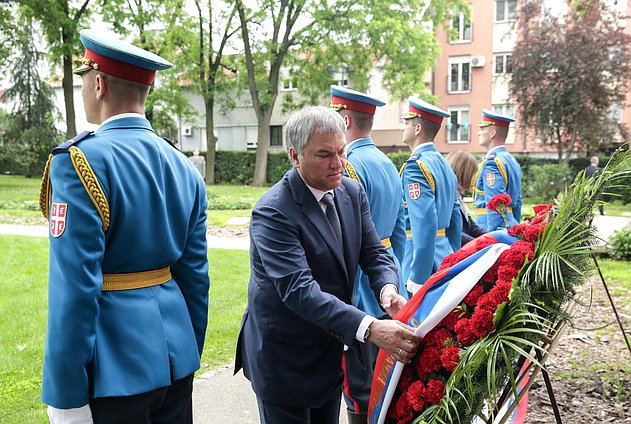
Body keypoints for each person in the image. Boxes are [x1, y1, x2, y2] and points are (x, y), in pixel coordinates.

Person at [39, 29, 210, 424]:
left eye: (83, 79)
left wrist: (66, 394)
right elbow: (195, 279)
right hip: (174, 357)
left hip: (113, 369)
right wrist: (185, 351)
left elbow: (74, 288)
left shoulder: (78, 162)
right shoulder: (183, 166)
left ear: (98, 84)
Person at [234, 106, 421, 424]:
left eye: (342, 151)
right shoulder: (273, 211)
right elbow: (299, 291)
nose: (338, 164)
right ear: (295, 155)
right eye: (324, 155)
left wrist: (387, 287)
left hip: (329, 353)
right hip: (284, 359)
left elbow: (374, 252)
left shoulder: (350, 191)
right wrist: (370, 328)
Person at [330, 85, 407, 423]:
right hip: (387, 281)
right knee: (385, 381)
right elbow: (400, 232)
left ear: (345, 120)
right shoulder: (388, 163)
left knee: (360, 388)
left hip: (361, 285)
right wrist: (397, 280)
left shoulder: (349, 166)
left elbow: (344, 236)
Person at [399, 97, 462, 296]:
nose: (404, 127)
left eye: (407, 122)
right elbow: (455, 218)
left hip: (420, 261)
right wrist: (452, 256)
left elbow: (424, 222)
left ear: (417, 128)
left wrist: (418, 277)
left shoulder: (416, 166)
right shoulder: (444, 165)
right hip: (444, 254)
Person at [473, 109, 522, 231]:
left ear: (492, 133)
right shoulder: (511, 161)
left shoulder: (492, 163)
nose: (479, 133)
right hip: (510, 223)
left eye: (482, 129)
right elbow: (518, 202)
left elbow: (495, 203)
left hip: (491, 228)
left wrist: (493, 236)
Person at [446, 150, 488, 245]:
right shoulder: (448, 195)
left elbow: (471, 226)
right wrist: (477, 244)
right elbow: (451, 230)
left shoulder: (456, 194)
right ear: (464, 173)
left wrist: (494, 237)